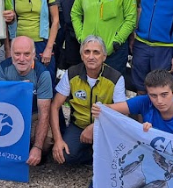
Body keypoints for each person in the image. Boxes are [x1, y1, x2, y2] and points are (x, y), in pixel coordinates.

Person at [51, 36, 126, 166]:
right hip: (78, 126)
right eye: (87, 52)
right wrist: (58, 140)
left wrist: (94, 127)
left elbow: (123, 112)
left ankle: (99, 153)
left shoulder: (116, 78)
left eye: (96, 52)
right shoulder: (71, 73)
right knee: (64, 156)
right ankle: (92, 155)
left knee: (119, 157)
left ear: (104, 56)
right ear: (81, 56)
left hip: (105, 127)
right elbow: (54, 106)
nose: (91, 56)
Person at [0, 36, 53, 166]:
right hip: (9, 114)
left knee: (45, 142)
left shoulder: (42, 74)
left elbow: (44, 114)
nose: (21, 59)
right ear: (10, 53)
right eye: (17, 54)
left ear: (34, 54)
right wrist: (20, 89)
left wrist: (37, 147)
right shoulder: (2, 68)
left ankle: (35, 152)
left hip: (33, 115)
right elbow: (0, 103)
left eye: (27, 54)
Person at [91, 69, 173, 137]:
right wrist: (99, 109)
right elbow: (110, 108)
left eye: (164, 95)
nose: (159, 101)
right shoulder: (144, 101)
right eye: (153, 95)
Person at [9, 0, 59, 84]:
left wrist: (49, 48)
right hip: (19, 43)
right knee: (21, 83)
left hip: (41, 43)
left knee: (45, 81)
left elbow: (55, 21)